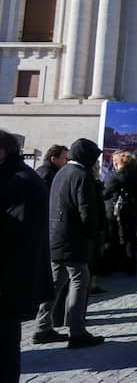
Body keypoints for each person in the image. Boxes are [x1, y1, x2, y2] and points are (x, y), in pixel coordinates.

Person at [34, 138, 105, 349]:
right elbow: (86, 210)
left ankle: (42, 327)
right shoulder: (82, 175)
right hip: (74, 239)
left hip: (56, 235)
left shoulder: (62, 172)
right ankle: (77, 330)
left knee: (55, 283)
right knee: (79, 281)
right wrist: (94, 234)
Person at [1, 130, 52, 379]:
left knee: (5, 351)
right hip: (9, 280)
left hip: (8, 283)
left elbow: (17, 236)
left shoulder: (21, 181)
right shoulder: (11, 177)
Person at [102, 151, 137, 276]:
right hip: (133, 210)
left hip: (116, 211)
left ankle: (111, 267)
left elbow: (105, 193)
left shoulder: (117, 176)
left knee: (113, 238)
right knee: (130, 238)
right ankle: (130, 267)